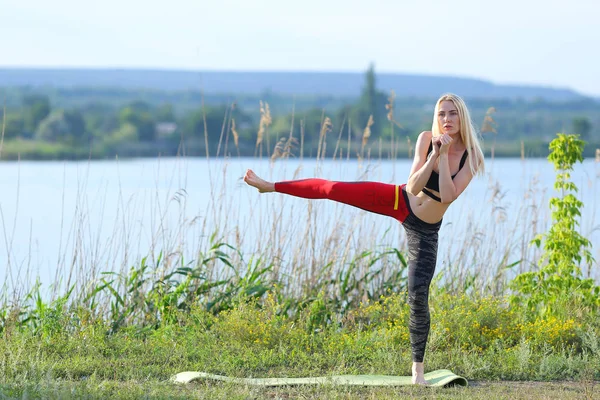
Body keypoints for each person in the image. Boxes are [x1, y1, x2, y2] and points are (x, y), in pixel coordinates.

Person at [243, 93, 485, 385]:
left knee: (418, 295)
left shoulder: (472, 157)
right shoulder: (426, 139)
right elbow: (412, 185)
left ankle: (417, 371)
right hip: (400, 200)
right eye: (442, 114)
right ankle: (270, 186)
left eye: (453, 114)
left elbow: (447, 195)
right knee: (333, 189)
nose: (446, 120)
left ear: (462, 118)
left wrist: (444, 158)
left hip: (425, 230)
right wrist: (434, 154)